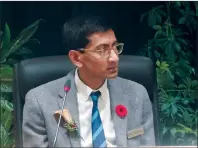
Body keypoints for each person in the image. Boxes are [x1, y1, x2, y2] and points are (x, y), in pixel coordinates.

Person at [22, 15, 155, 147]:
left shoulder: (136, 94)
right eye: (102, 50)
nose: (114, 58)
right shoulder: (40, 101)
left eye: (115, 47)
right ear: (76, 58)